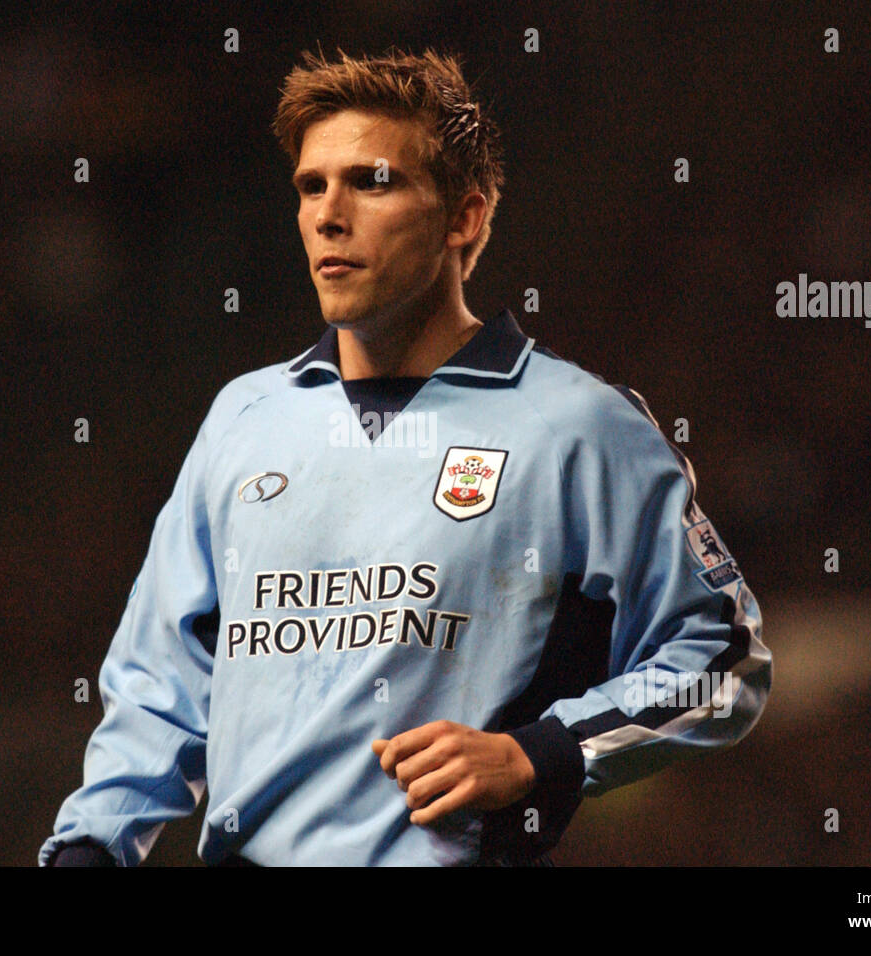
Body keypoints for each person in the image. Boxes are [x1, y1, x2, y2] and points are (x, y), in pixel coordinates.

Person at [39, 47, 771, 867]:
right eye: (311, 186)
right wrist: (90, 851)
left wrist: (541, 753)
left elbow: (724, 658)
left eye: (371, 181)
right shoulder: (245, 419)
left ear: (465, 217)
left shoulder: (578, 427)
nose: (328, 213)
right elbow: (159, 683)